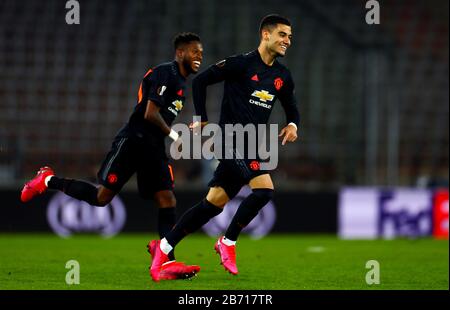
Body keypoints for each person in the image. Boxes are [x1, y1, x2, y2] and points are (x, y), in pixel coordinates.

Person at [20, 32, 204, 281]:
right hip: (133, 141)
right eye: (195, 52)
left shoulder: (182, 84)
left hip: (153, 147)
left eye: (201, 53)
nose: (199, 57)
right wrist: (174, 136)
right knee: (101, 197)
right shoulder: (165, 73)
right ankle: (47, 180)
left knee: (167, 199)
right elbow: (150, 113)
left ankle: (164, 258)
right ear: (180, 53)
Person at [148, 14, 299, 281]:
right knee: (264, 190)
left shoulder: (282, 76)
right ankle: (227, 242)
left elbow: (291, 107)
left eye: (289, 36)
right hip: (228, 139)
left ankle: (163, 247)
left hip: (252, 144)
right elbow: (200, 81)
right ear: (266, 34)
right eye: (283, 35)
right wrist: (202, 118)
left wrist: (293, 125)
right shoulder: (241, 64)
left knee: (212, 204)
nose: (288, 40)